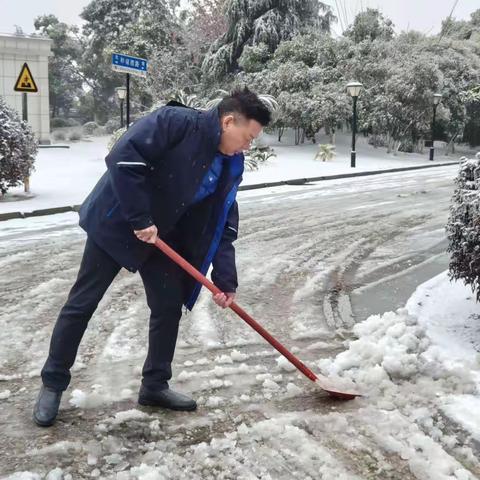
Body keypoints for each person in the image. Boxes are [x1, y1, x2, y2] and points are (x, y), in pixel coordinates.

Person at [33, 87, 271, 426]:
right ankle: (53, 383)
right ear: (229, 121)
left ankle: (155, 385)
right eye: (247, 137)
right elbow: (123, 158)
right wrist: (140, 218)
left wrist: (226, 278)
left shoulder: (231, 163)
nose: (247, 146)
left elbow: (222, 218)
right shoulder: (175, 122)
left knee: (167, 307)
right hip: (117, 222)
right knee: (83, 302)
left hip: (162, 235)